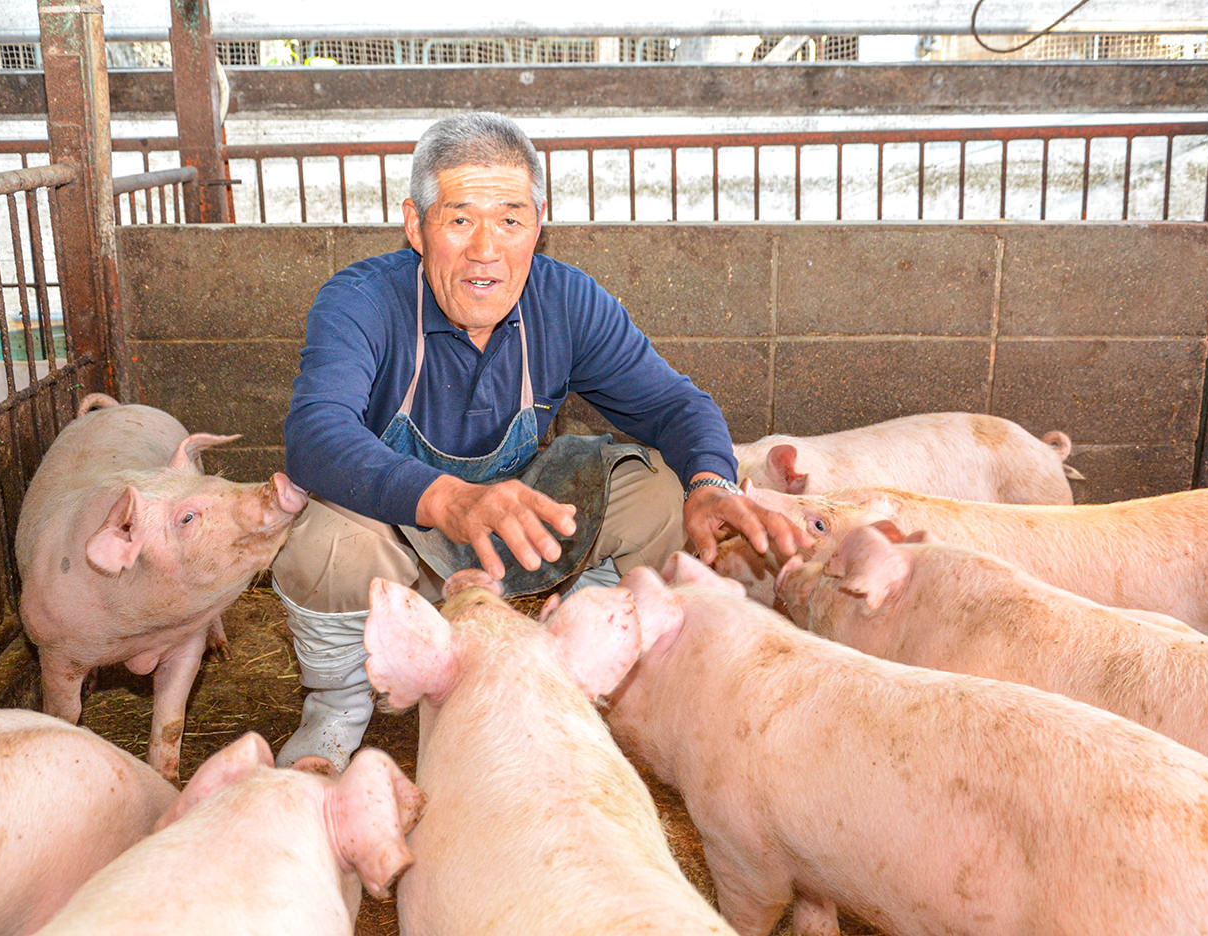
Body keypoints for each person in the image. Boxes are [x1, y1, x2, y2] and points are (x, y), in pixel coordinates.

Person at [271, 111, 806, 769]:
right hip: (402, 525)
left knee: (658, 495)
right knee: (328, 540)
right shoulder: (362, 301)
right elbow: (316, 434)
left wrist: (710, 482)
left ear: (539, 223)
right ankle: (338, 708)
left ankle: (582, 652)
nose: (486, 249)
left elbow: (673, 404)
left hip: (514, 511)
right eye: (460, 219)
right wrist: (449, 501)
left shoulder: (566, 301)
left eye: (511, 220)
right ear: (416, 225)